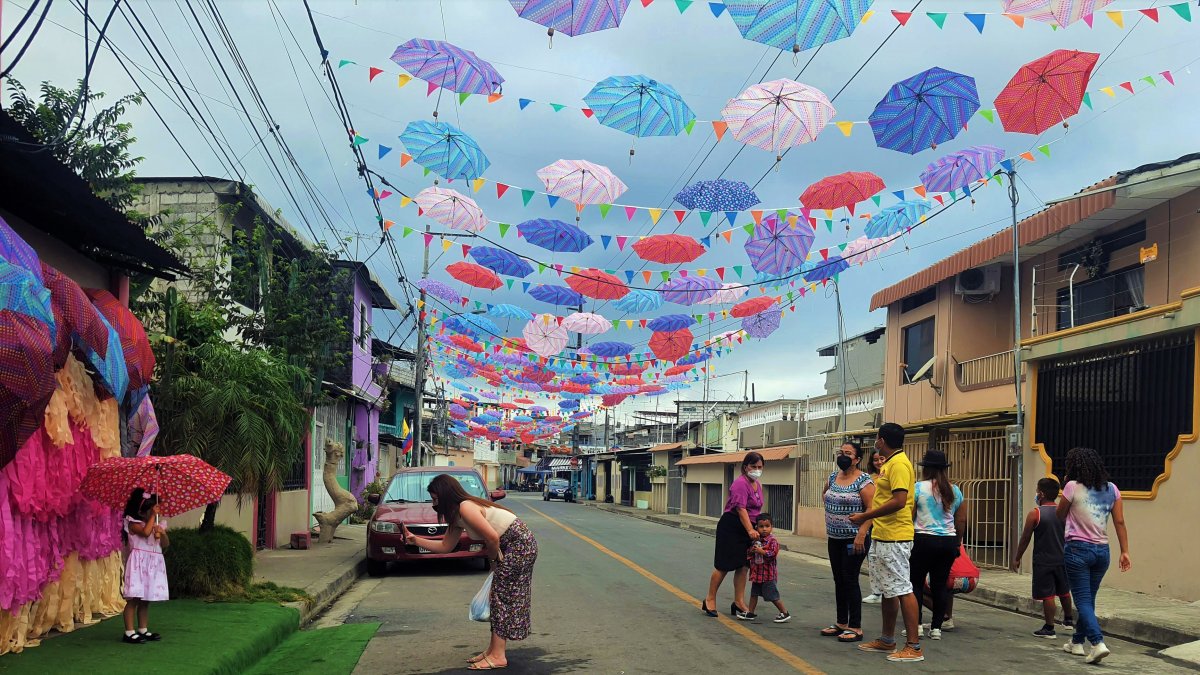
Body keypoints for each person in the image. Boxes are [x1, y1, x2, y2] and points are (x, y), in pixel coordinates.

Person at [403, 474, 538, 671]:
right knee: (497, 596)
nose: (433, 504)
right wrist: (415, 540)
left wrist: (493, 562)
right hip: (508, 547)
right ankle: (492, 650)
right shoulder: (456, 516)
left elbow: (492, 538)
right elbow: (445, 546)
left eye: (435, 499)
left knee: (501, 597)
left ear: (445, 495)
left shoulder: (466, 507)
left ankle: (498, 655)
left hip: (519, 546)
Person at [849, 423, 923, 663]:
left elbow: (900, 501)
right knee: (888, 588)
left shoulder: (899, 464)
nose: (875, 443)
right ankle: (887, 639)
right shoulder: (889, 463)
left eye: (877, 439)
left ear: (882, 440)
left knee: (902, 588)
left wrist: (865, 516)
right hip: (883, 534)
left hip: (895, 535)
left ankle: (913, 646)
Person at [1057, 447, 1131, 665]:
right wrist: (1125, 551)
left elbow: (1060, 515)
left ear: (1074, 467)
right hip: (1102, 551)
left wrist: (1065, 487)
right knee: (1088, 599)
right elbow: (1119, 522)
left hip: (1077, 550)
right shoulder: (1113, 489)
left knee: (1082, 600)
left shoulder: (1071, 487)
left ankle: (1098, 643)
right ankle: (1077, 643)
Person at [906, 450, 966, 641]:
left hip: (923, 539)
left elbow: (911, 515)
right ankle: (936, 628)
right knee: (940, 585)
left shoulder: (918, 487)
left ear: (926, 468)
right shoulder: (954, 490)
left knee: (915, 583)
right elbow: (962, 520)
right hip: (948, 541)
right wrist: (957, 543)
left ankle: (916, 625)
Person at [820, 442, 874, 641]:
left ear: (857, 459)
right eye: (841, 452)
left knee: (850, 578)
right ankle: (841, 622)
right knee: (839, 579)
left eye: (848, 453)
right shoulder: (833, 477)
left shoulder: (864, 481)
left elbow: (871, 509)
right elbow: (825, 495)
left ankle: (855, 626)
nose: (843, 456)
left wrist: (862, 533)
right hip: (834, 537)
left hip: (854, 539)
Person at [702, 452, 764, 620]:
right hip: (732, 526)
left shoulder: (757, 485)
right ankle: (710, 599)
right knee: (723, 565)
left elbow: (755, 510)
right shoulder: (740, 484)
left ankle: (738, 602)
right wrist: (750, 530)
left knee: (743, 566)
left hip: (748, 527)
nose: (757, 470)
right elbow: (740, 508)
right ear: (745, 467)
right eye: (753, 467)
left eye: (759, 467)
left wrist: (758, 529)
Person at [1011, 477, 1075, 639]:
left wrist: (1017, 557)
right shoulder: (1064, 511)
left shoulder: (1035, 514)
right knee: (1064, 591)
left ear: (1042, 493)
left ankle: (1049, 627)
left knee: (1048, 595)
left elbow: (1025, 538)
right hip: (1063, 558)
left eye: (1037, 491)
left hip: (1044, 561)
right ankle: (1068, 620)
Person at [121, 488, 169, 644]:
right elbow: (145, 533)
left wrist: (162, 533)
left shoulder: (156, 525)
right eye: (153, 510)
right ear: (142, 510)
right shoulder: (133, 523)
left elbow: (166, 544)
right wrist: (152, 519)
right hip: (138, 565)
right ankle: (129, 632)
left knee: (145, 599)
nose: (156, 512)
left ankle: (143, 629)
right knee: (134, 598)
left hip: (152, 565)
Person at [745, 514, 790, 623]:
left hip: (768, 575)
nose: (764, 529)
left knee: (772, 595)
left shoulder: (772, 541)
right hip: (757, 574)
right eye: (761, 526)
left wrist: (762, 552)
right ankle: (750, 612)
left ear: (771, 527)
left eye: (767, 526)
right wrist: (752, 550)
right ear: (756, 527)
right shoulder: (756, 540)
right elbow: (749, 554)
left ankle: (784, 612)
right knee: (754, 594)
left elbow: (773, 554)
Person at [923, 543, 979, 630]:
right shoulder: (955, 537)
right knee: (947, 587)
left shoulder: (930, 535)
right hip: (972, 579)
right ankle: (947, 621)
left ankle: (943, 615)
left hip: (951, 578)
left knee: (912, 588)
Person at [863, 451, 886, 605]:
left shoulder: (891, 475)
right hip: (872, 523)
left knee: (885, 559)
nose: (878, 462)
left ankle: (886, 591)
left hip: (888, 523)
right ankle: (876, 591)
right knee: (872, 558)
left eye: (881, 459)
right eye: (875, 460)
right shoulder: (869, 479)